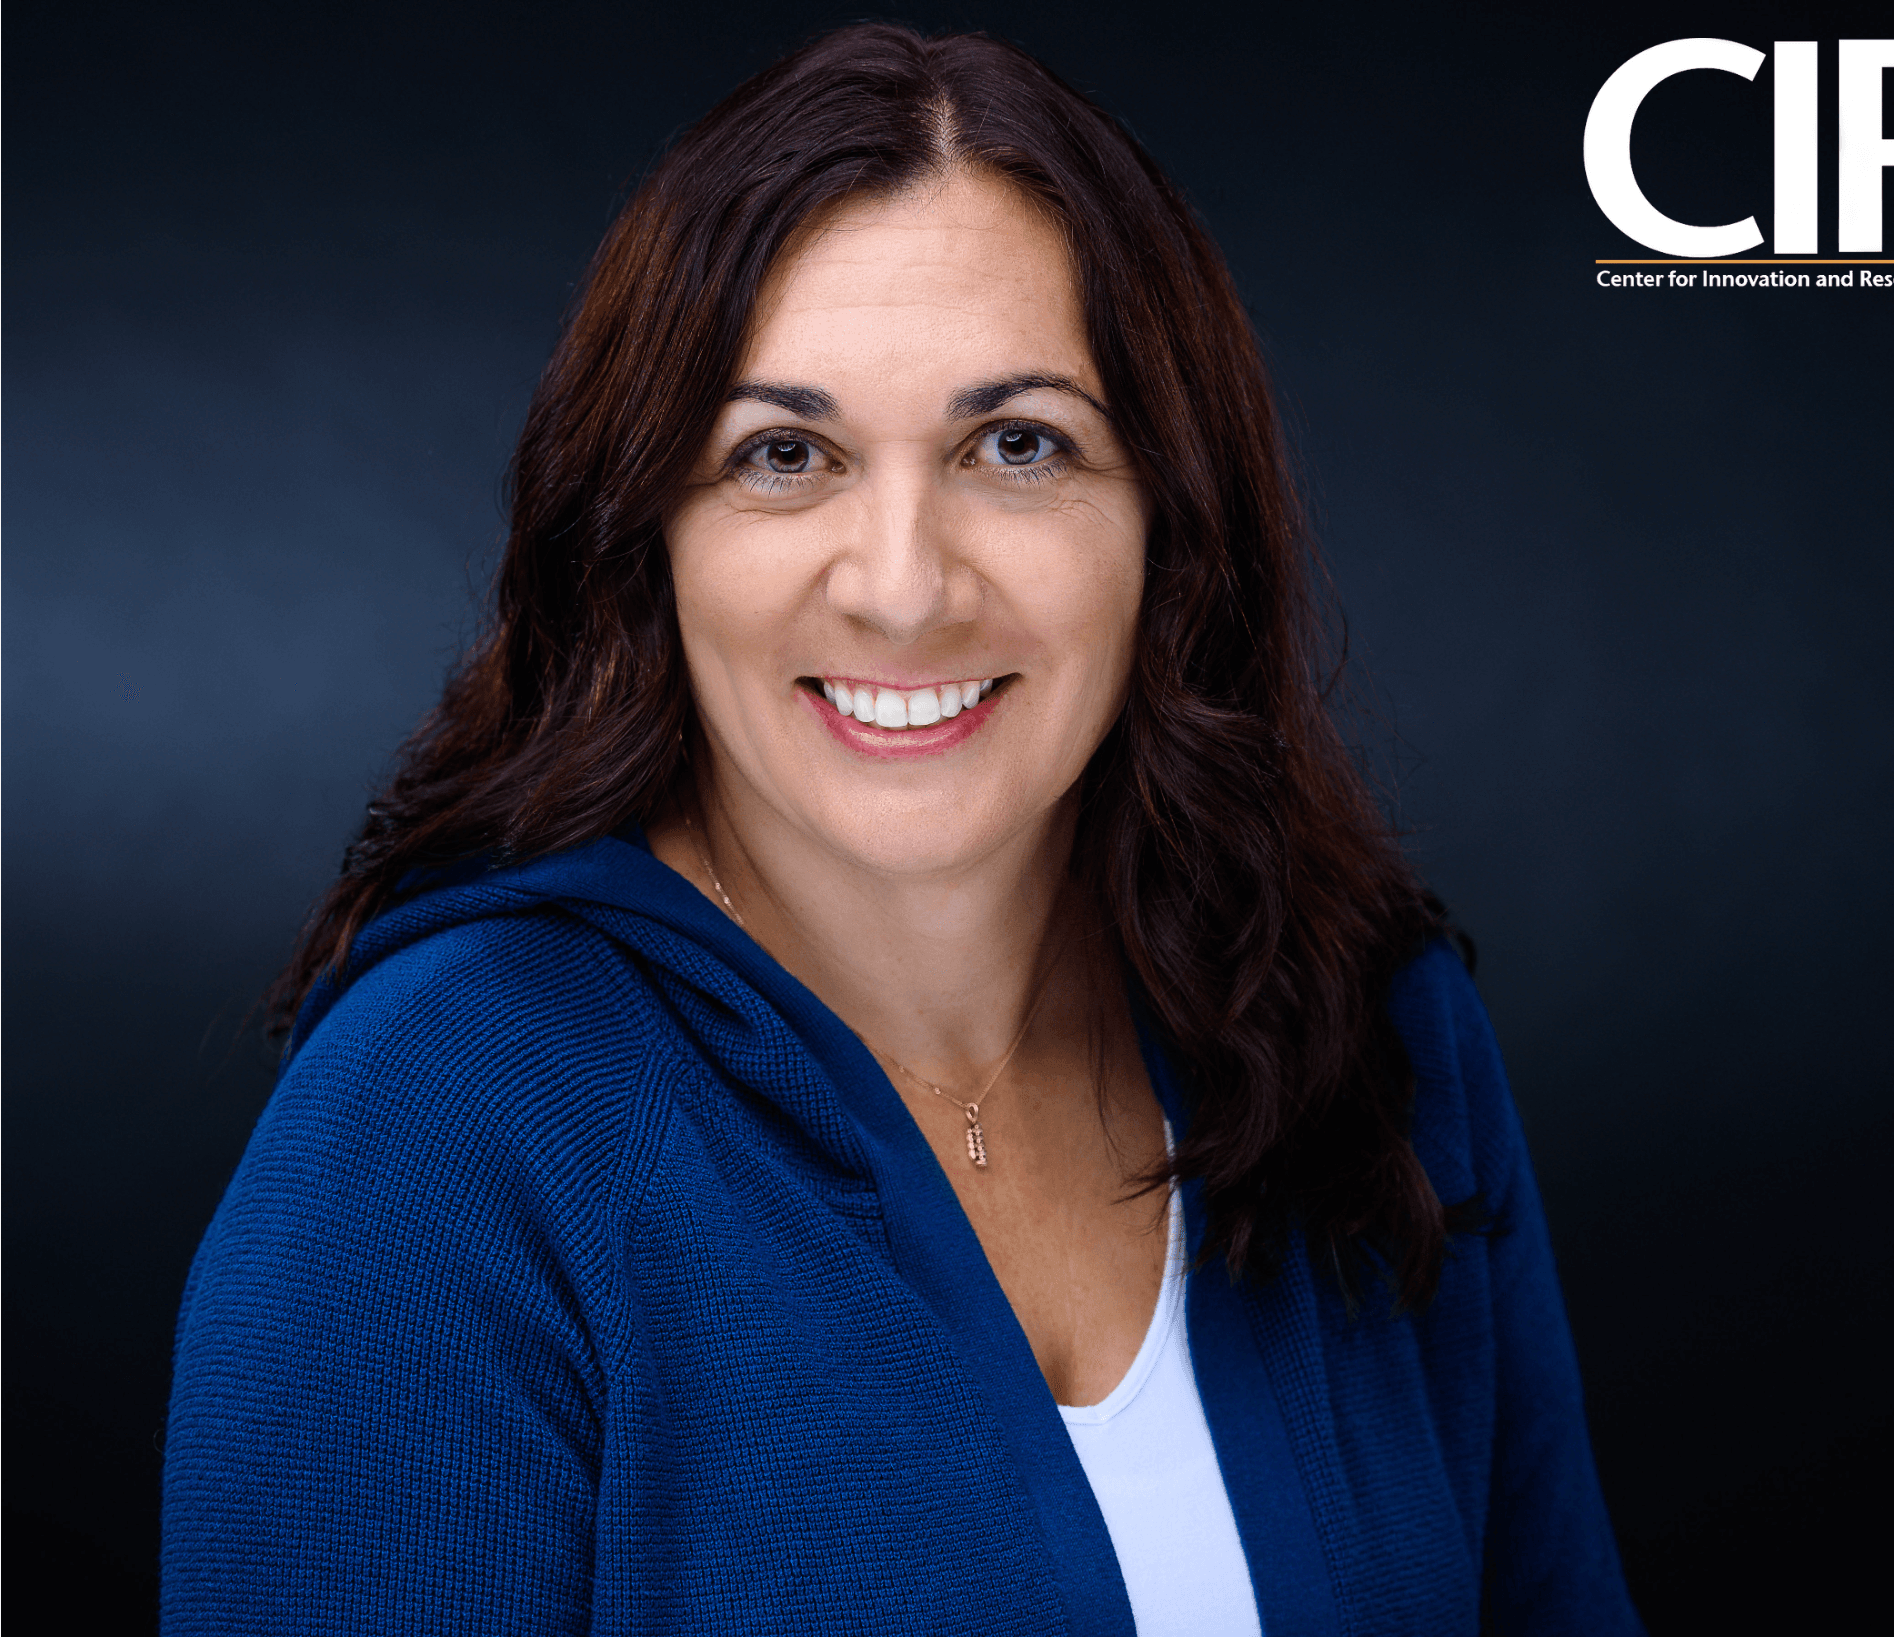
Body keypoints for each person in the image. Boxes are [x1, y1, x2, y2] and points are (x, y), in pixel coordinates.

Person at [161, 23, 1643, 1635]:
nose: (903, 583)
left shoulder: (1360, 1030)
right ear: (645, 538)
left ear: (1171, 520)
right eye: (782, 457)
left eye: (1018, 446)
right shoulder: (441, 1131)